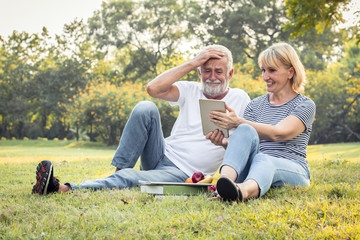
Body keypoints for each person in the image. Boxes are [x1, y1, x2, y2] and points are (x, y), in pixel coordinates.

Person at [32, 45, 250, 195]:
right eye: (206, 71)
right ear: (199, 73)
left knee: (132, 178)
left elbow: (244, 146)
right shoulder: (191, 89)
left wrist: (223, 141)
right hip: (162, 151)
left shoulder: (240, 98)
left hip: (182, 171)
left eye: (218, 72)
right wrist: (194, 62)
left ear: (230, 74)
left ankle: (64, 188)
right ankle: (119, 175)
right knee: (145, 107)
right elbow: (153, 89)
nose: (212, 77)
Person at [207, 42, 316, 202]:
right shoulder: (254, 105)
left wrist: (238, 121)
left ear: (290, 72)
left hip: (293, 170)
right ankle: (224, 186)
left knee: (262, 157)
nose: (265, 76)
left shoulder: (305, 105)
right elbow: (246, 146)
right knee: (245, 130)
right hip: (256, 171)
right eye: (263, 70)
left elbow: (279, 133)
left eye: (272, 70)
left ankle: (242, 191)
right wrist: (225, 143)